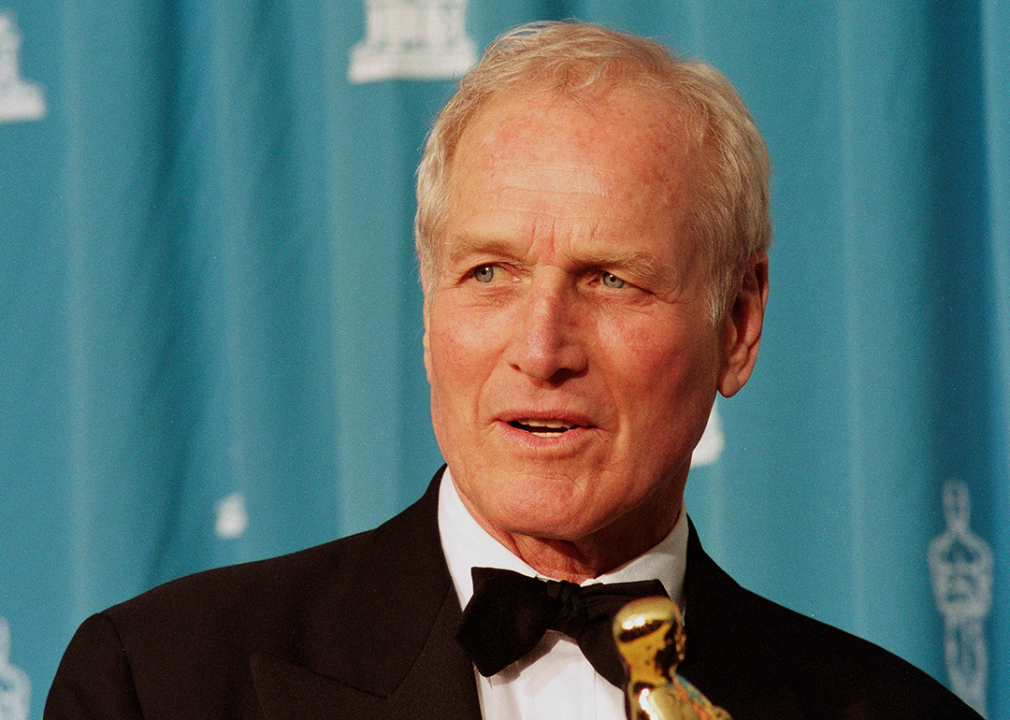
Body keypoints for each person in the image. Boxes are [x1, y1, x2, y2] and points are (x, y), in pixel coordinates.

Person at [45, 21, 980, 720]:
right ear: (428, 308)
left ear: (736, 324)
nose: (542, 349)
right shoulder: (163, 682)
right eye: (488, 273)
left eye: (611, 280)